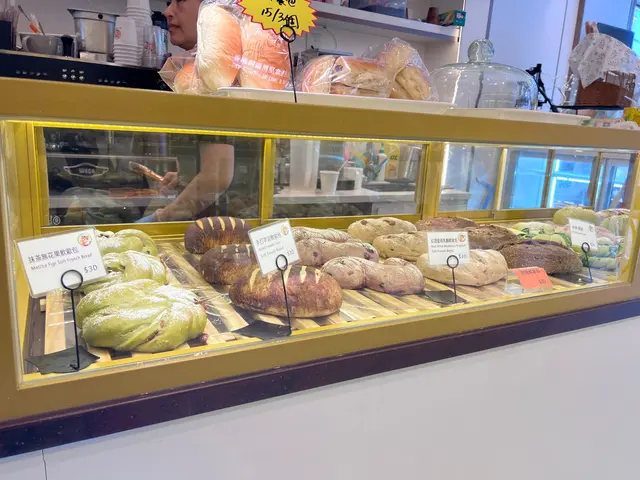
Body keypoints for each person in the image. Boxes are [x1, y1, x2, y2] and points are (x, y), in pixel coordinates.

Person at [139, 0, 235, 222]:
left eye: (180, 0)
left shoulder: (217, 77)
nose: (167, 11)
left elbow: (216, 177)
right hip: (203, 220)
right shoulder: (196, 74)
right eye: (169, 3)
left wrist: (159, 219)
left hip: (219, 228)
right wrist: (184, 176)